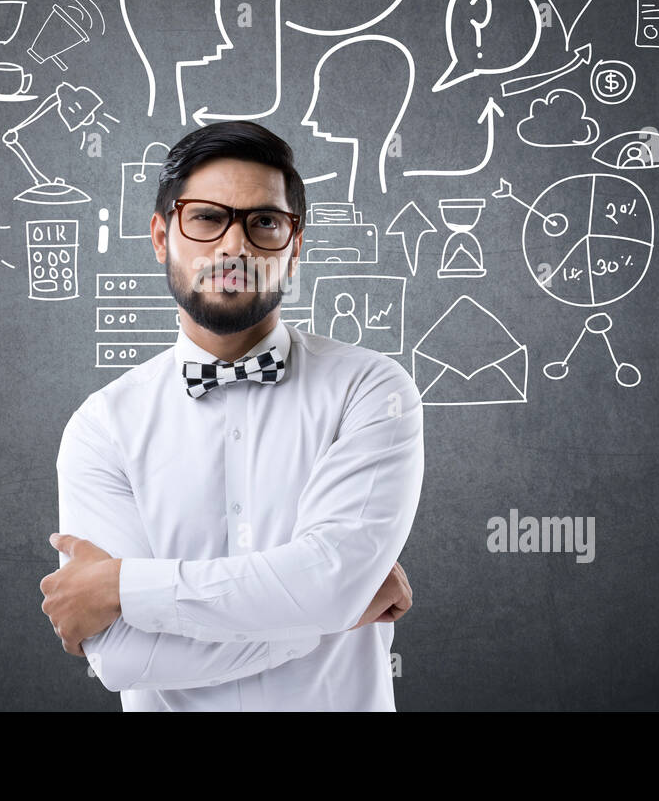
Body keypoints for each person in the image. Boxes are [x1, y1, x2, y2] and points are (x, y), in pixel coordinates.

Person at [41, 121, 424, 710]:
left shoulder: (371, 389)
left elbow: (330, 581)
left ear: (294, 246)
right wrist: (326, 619)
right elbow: (122, 658)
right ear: (161, 236)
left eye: (263, 222)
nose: (233, 246)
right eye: (206, 217)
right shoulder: (102, 426)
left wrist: (122, 587)